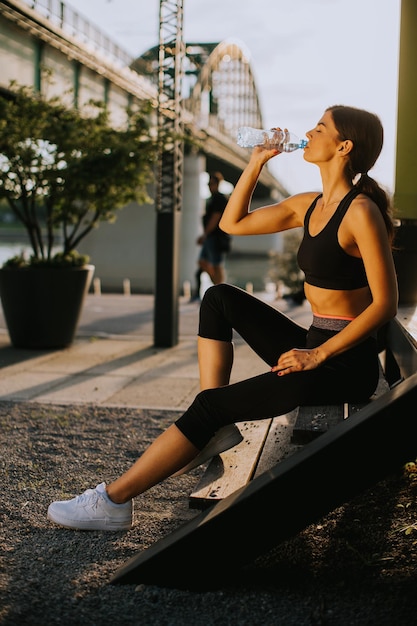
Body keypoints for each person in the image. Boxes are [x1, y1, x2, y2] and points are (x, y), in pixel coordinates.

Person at [48, 105, 398, 531]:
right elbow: (232, 224)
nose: (309, 130)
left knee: (208, 405)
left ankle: (113, 502)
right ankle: (214, 425)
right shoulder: (310, 205)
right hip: (315, 341)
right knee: (218, 298)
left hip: (343, 364)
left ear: (344, 146)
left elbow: (385, 304)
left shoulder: (361, 212)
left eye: (320, 126)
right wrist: (256, 161)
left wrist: (317, 356)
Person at [190, 171, 230, 301]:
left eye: (211, 183)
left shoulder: (219, 198)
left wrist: (205, 234)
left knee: (217, 265)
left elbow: (215, 218)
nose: (209, 186)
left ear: (218, 184)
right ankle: (219, 289)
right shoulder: (213, 198)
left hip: (216, 237)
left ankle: (221, 294)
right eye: (208, 184)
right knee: (203, 262)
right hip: (210, 237)